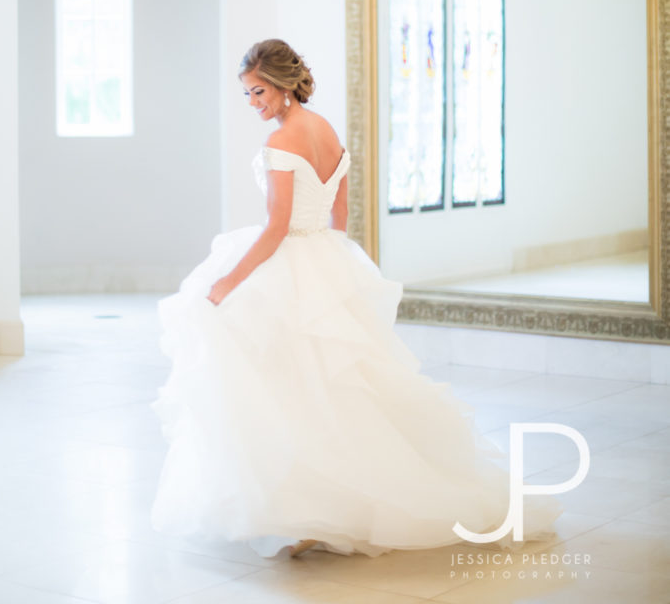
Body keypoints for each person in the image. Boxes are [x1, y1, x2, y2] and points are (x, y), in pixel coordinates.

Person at [150, 38, 561, 559]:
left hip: (291, 259)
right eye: (249, 95)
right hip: (325, 255)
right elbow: (339, 208)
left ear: (281, 87)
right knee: (333, 385)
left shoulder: (281, 144)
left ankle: (316, 505)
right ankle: (330, 504)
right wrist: (334, 264)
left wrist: (228, 283)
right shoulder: (324, 129)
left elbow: (276, 228)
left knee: (293, 383)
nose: (253, 103)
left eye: (258, 93)